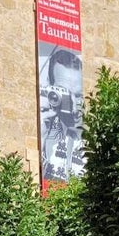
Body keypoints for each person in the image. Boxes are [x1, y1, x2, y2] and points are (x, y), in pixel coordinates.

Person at [38, 48, 87, 183]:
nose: (74, 108)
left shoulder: (95, 140)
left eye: (78, 96)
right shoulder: (45, 129)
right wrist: (41, 135)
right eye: (65, 94)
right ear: (51, 88)